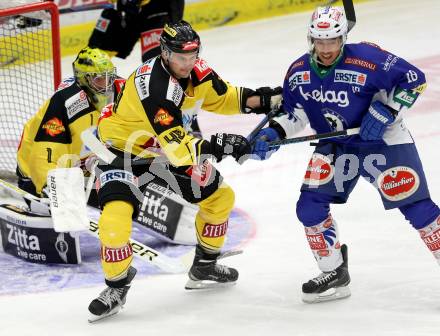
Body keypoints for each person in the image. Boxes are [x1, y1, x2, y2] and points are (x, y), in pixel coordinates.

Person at [87, 20, 281, 321]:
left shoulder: (195, 69)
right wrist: (221, 145)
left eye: (192, 57)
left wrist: (263, 100)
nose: (187, 64)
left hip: (162, 152)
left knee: (220, 199)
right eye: (181, 58)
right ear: (165, 53)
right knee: (114, 222)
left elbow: (224, 96)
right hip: (123, 152)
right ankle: (116, 286)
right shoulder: (155, 88)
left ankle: (204, 266)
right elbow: (179, 150)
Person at [252, 5, 440, 303]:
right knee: (309, 209)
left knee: (419, 211)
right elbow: (294, 114)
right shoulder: (299, 71)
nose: (326, 49)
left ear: (343, 37)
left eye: (333, 41)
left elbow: (414, 79)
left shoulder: (368, 59)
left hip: (383, 144)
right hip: (338, 146)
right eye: (319, 41)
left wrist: (388, 110)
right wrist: (272, 133)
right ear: (310, 39)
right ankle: (334, 271)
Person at [16, 46, 120, 199]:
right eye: (100, 79)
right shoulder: (65, 103)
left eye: (109, 77)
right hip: (33, 175)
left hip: (80, 170)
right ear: (84, 79)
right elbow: (45, 151)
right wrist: (49, 186)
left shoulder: (118, 90)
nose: (107, 85)